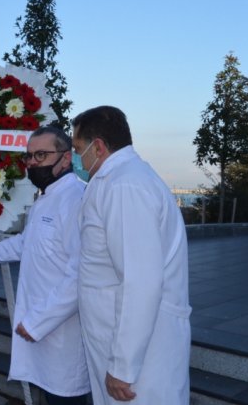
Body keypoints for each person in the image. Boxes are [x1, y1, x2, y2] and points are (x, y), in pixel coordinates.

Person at [72, 106, 191, 404]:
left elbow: (141, 280)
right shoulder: (116, 180)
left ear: (97, 146)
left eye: (77, 149)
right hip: (115, 337)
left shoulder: (125, 185)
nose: (77, 158)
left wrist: (123, 365)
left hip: (139, 356)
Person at [0, 126, 90, 405]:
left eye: (41, 155)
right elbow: (27, 243)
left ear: (66, 158)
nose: (33, 163)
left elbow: (80, 274)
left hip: (62, 332)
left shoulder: (75, 200)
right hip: (39, 326)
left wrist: (37, 322)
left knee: (64, 397)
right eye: (29, 157)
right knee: (48, 393)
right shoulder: (44, 199)